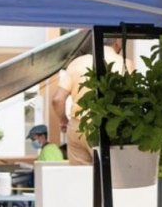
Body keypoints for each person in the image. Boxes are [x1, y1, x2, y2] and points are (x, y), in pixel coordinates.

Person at [52, 38, 134, 166]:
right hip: (107, 126)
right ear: (117, 42)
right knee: (110, 176)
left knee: (82, 178)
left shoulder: (77, 63)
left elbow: (57, 99)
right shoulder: (125, 64)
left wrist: (63, 120)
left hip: (77, 126)